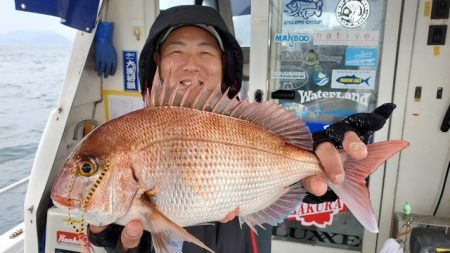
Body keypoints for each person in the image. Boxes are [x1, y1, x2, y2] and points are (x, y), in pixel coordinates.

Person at [87, 5, 395, 253]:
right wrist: (113, 239)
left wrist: (328, 154)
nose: (191, 64)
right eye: (176, 52)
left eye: (205, 52)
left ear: (224, 63)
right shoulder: (131, 135)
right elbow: (135, 235)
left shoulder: (252, 125)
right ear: (156, 61)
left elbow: (305, 185)